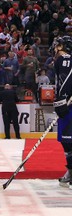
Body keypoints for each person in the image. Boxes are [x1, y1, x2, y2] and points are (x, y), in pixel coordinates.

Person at [52, 36, 72, 189]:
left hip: (68, 106)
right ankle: (70, 171)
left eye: (58, 45)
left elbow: (65, 82)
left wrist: (61, 100)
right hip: (66, 104)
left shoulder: (64, 59)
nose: (55, 48)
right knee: (66, 141)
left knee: (68, 141)